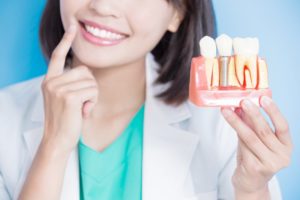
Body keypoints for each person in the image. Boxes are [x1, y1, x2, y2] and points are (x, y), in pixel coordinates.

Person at [0, 0, 293, 199]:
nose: (102, 6)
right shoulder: (5, 115)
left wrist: (252, 189)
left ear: (178, 14)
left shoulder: (223, 123)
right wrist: (52, 147)